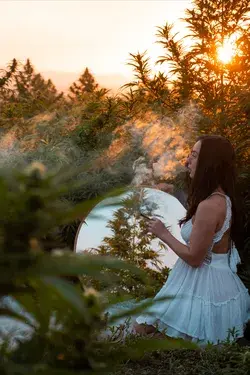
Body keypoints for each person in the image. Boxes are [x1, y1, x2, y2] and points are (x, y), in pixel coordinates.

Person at [134, 135, 250, 345]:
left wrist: (163, 233)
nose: (187, 161)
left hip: (204, 287)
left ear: (209, 163)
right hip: (206, 281)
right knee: (144, 327)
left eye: (194, 155)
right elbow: (200, 229)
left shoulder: (209, 206)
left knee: (141, 329)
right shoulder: (219, 198)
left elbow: (195, 257)